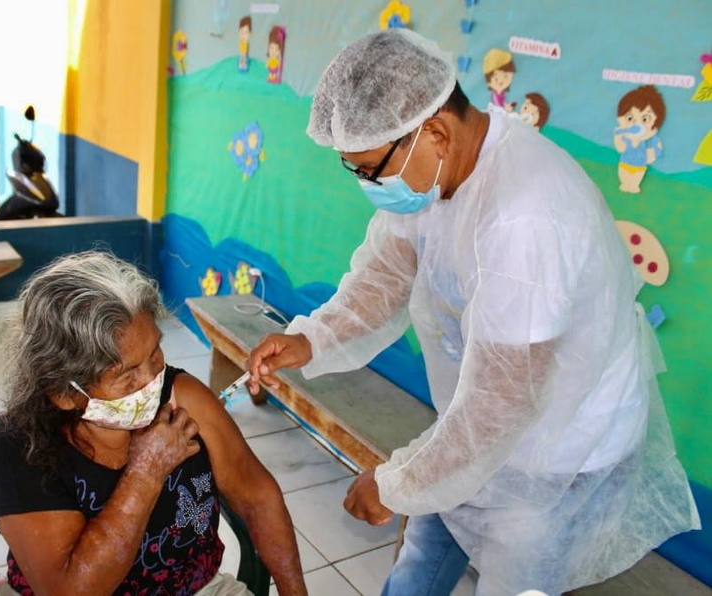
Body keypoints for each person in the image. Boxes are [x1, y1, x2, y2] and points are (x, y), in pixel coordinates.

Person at [246, 29, 699, 595]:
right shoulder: (433, 174)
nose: (366, 184)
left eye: (368, 169)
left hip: (557, 450)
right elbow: (385, 273)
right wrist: (311, 338)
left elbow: (504, 403)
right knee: (423, 558)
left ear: (433, 131)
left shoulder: (523, 216)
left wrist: (394, 484)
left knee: (513, 581)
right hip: (476, 427)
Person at [0, 251, 307, 596]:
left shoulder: (184, 397)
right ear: (63, 392)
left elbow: (258, 498)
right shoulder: (22, 448)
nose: (153, 380)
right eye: (125, 375)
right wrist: (146, 471)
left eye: (155, 353)